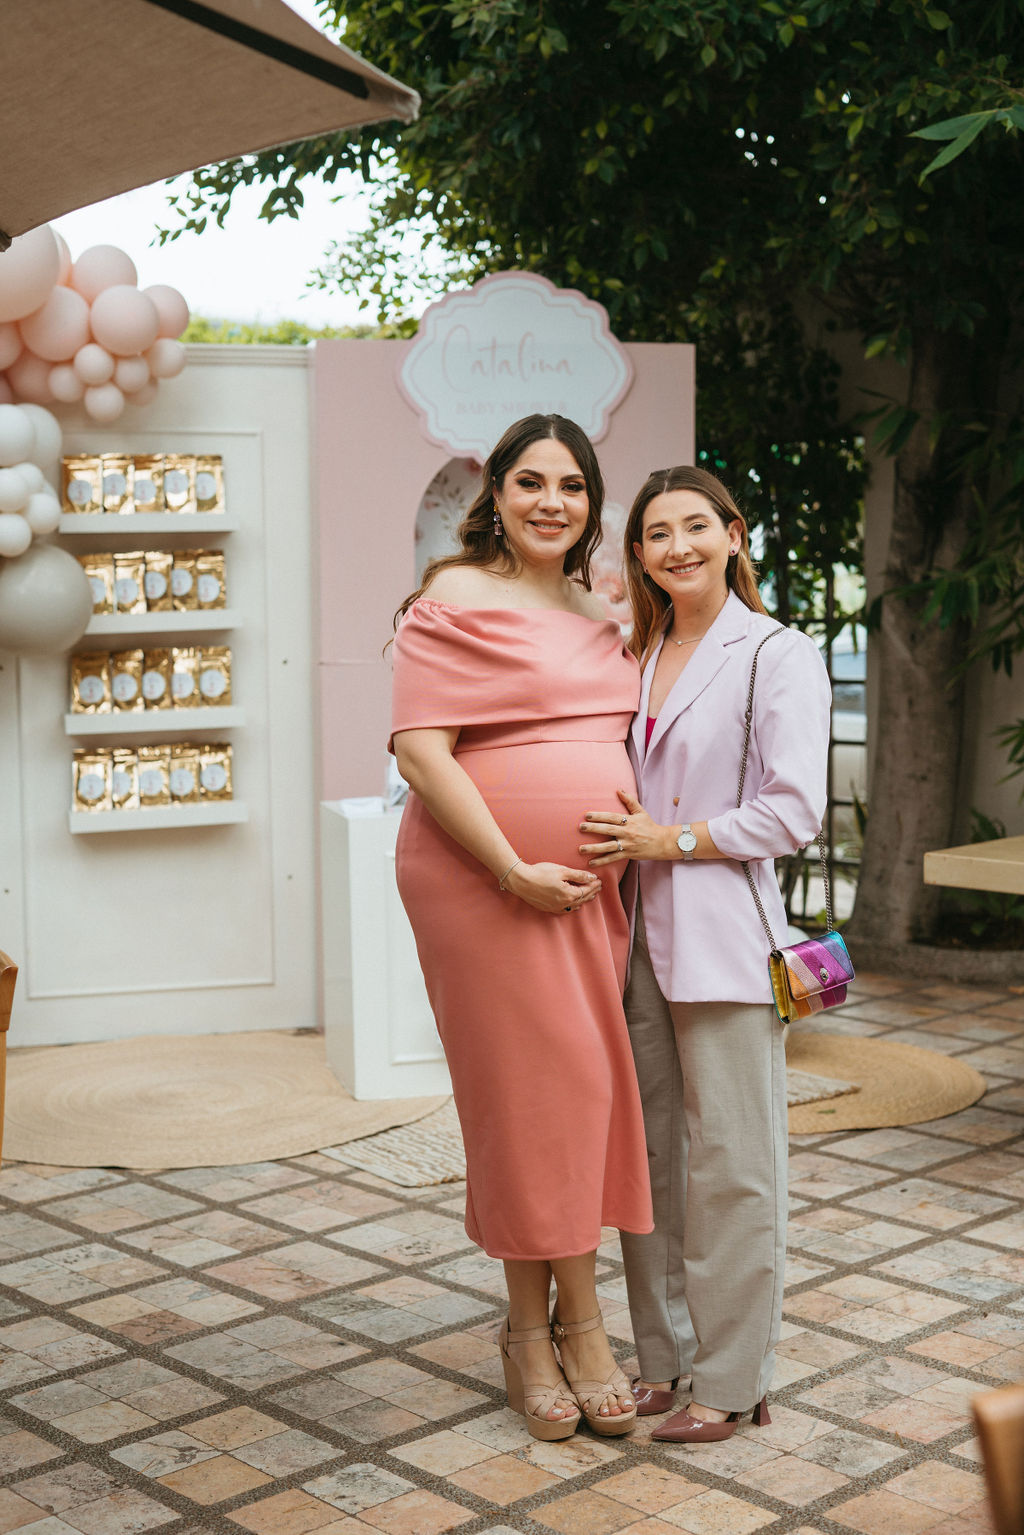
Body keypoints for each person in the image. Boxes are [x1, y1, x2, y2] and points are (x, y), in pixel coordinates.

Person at [389, 414, 653, 1441]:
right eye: (531, 481)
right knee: (521, 1100)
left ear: (592, 503)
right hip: (482, 884)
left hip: (584, 893)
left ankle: (559, 1324)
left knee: (576, 1093)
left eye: (572, 485)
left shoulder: (598, 607)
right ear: (494, 492)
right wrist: (511, 867)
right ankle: (547, 1332)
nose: (553, 501)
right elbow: (422, 752)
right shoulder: (454, 594)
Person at [577, 465, 831, 1443]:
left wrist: (671, 838)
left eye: (695, 526)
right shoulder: (633, 655)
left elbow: (793, 810)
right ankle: (663, 1358)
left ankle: (730, 1379)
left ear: (733, 534)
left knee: (732, 1162)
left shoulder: (776, 653)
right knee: (649, 1158)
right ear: (639, 554)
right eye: (656, 533)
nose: (676, 546)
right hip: (633, 935)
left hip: (725, 939)